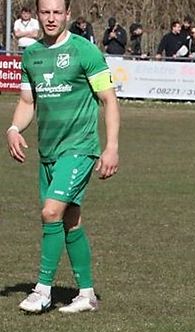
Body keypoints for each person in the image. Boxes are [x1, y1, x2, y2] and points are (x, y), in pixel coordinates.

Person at [7, 0, 120, 314]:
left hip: (79, 148)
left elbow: (109, 100)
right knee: (70, 220)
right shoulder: (31, 55)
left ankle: (42, 290)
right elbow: (28, 101)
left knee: (50, 213)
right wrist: (15, 128)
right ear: (38, 14)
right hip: (48, 152)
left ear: (68, 14)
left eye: (58, 12)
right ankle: (86, 295)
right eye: (46, 12)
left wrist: (111, 147)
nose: (51, 18)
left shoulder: (85, 51)